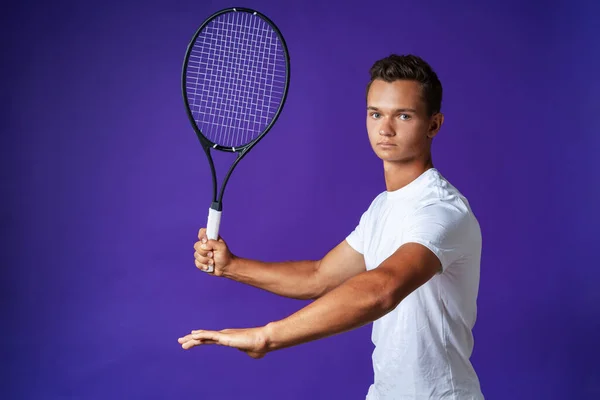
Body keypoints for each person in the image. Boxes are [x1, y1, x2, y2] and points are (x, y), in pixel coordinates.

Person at [178, 54, 484, 400]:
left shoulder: (441, 210)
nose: (385, 129)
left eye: (403, 115)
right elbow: (319, 276)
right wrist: (232, 266)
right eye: (375, 114)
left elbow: (381, 289)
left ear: (434, 124)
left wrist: (267, 336)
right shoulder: (382, 208)